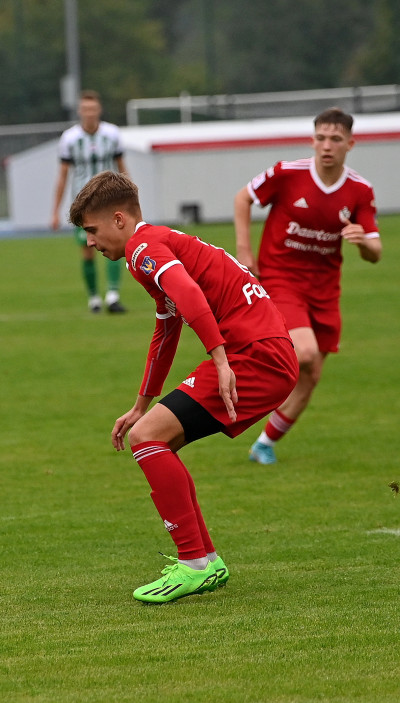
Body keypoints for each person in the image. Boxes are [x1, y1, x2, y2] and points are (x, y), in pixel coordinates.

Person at [69, 171, 297, 603]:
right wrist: (141, 403)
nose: (91, 243)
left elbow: (189, 294)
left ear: (119, 219)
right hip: (265, 351)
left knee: (147, 438)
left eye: (92, 231)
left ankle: (194, 561)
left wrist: (220, 358)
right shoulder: (157, 243)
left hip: (255, 354)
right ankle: (205, 562)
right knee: (152, 434)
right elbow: (167, 328)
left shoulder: (141, 249)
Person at [234, 107, 382, 465]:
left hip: (325, 290)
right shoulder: (287, 173)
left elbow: (375, 252)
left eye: (335, 139)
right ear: (312, 140)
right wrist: (244, 251)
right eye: (320, 138)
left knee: (312, 373)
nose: (326, 146)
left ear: (350, 143)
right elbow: (243, 199)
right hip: (281, 279)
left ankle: (264, 444)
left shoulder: (360, 190)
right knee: (305, 354)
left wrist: (362, 241)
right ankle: (248, 377)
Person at [51, 90, 129, 314]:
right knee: (88, 249)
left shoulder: (112, 134)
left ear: (99, 110)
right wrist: (55, 211)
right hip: (83, 203)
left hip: (110, 199)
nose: (89, 113)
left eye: (92, 109)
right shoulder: (70, 138)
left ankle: (113, 296)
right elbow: (63, 175)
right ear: (79, 111)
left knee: (115, 245)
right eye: (85, 109)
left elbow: (122, 167)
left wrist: (129, 196)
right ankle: (94, 299)